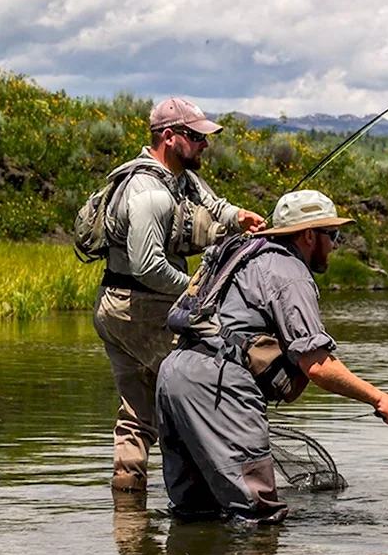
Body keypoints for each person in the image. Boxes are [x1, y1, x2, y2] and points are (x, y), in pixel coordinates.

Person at [155, 189, 388, 524]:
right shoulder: (288, 270)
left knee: (195, 513)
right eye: (331, 234)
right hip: (218, 385)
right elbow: (317, 365)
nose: (335, 244)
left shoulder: (242, 252)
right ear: (308, 236)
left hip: (175, 372)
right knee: (256, 515)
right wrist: (379, 399)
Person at [93, 96, 266, 492]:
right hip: (136, 307)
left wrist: (240, 218)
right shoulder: (148, 193)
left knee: (137, 413)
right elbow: (148, 266)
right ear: (169, 137)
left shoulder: (181, 178)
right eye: (197, 137)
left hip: (117, 305)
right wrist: (196, 290)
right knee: (203, 382)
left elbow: (213, 205)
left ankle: (129, 517)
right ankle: (214, 492)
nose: (205, 144)